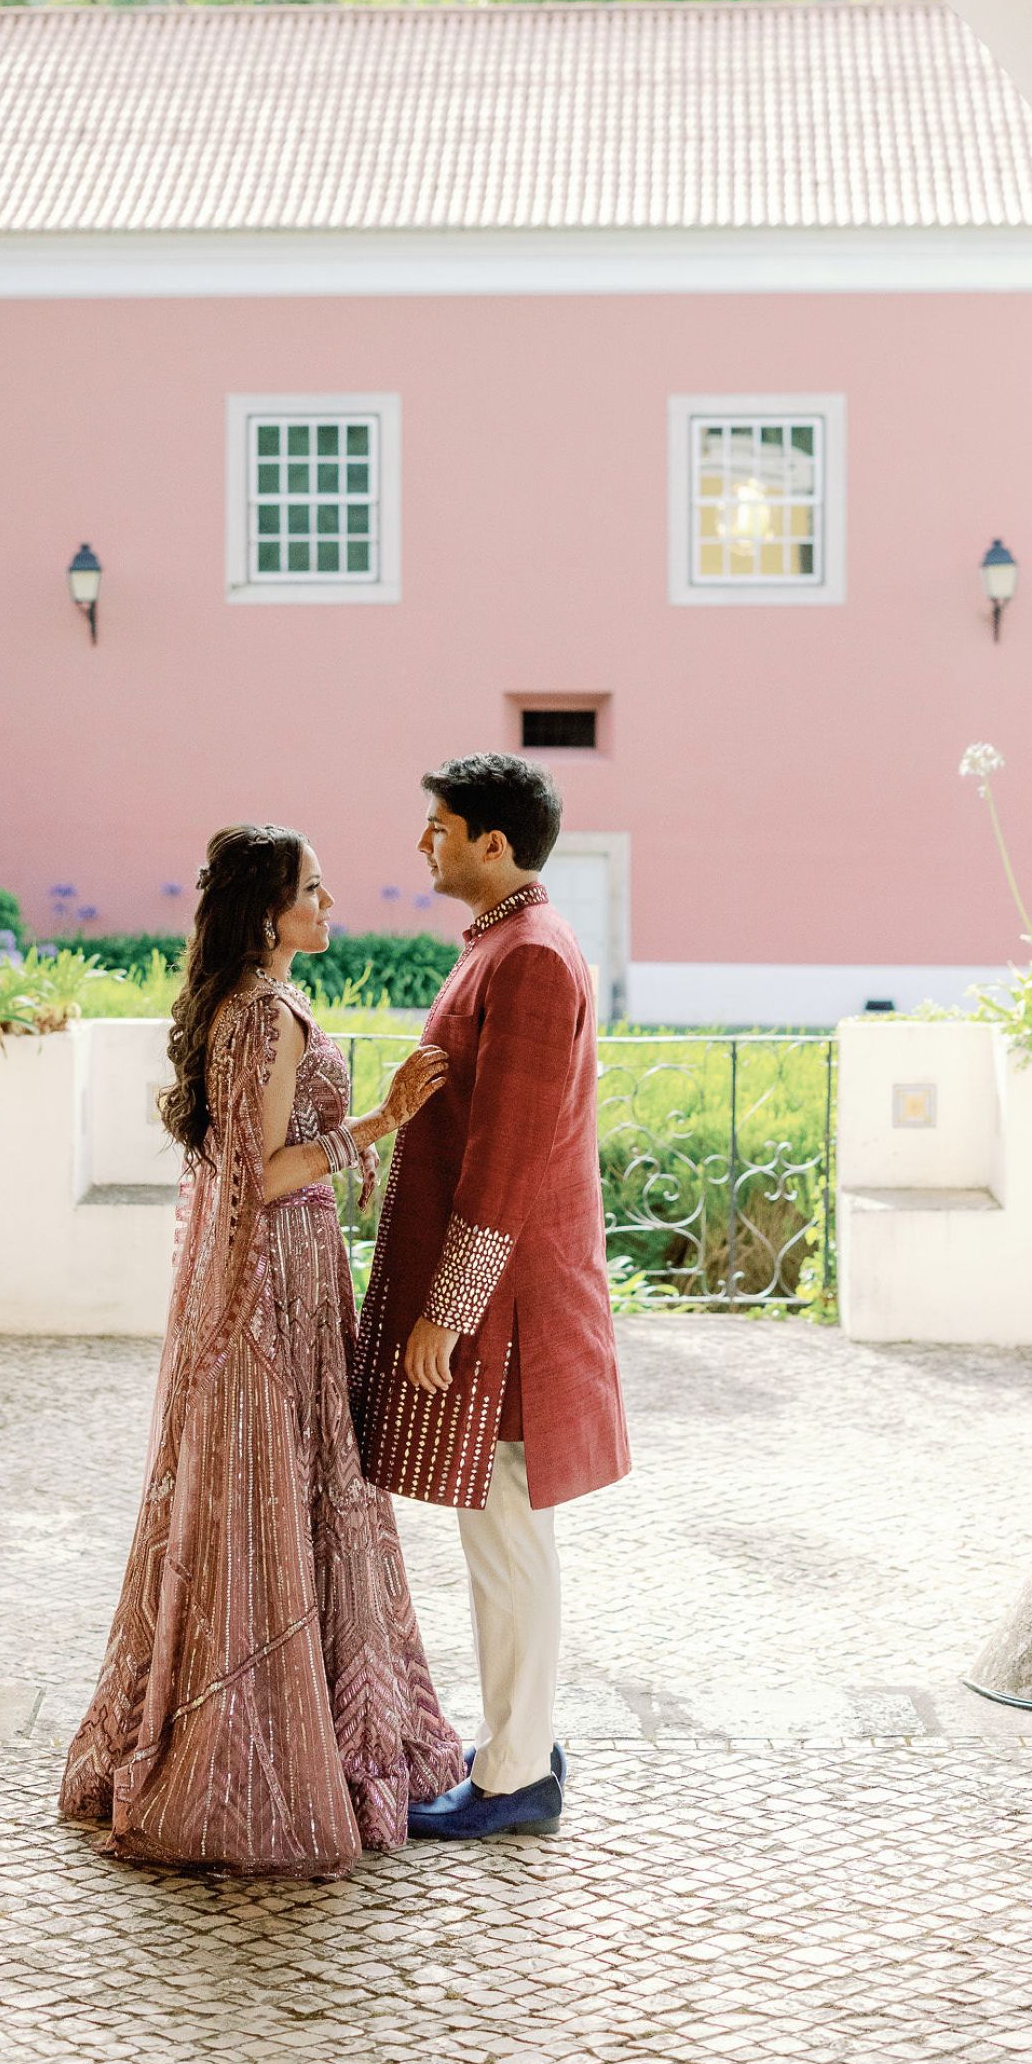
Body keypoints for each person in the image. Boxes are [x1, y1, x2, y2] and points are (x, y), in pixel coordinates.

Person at [60, 822, 464, 1876]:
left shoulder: (245, 1004)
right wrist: (378, 1123)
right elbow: (261, 1177)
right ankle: (252, 1756)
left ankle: (296, 1732)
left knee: (282, 1492)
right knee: (273, 1495)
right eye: (314, 894)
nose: (331, 908)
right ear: (267, 911)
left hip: (279, 1275)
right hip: (271, 1283)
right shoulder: (266, 1017)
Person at [353, 753, 630, 1842]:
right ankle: (522, 1741)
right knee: (504, 1533)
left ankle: (517, 1778)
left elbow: (508, 1161)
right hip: (502, 1300)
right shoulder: (511, 947)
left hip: (508, 1311)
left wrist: (448, 1314)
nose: (425, 843)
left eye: (440, 827)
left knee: (506, 1534)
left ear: (493, 845)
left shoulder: (529, 962)